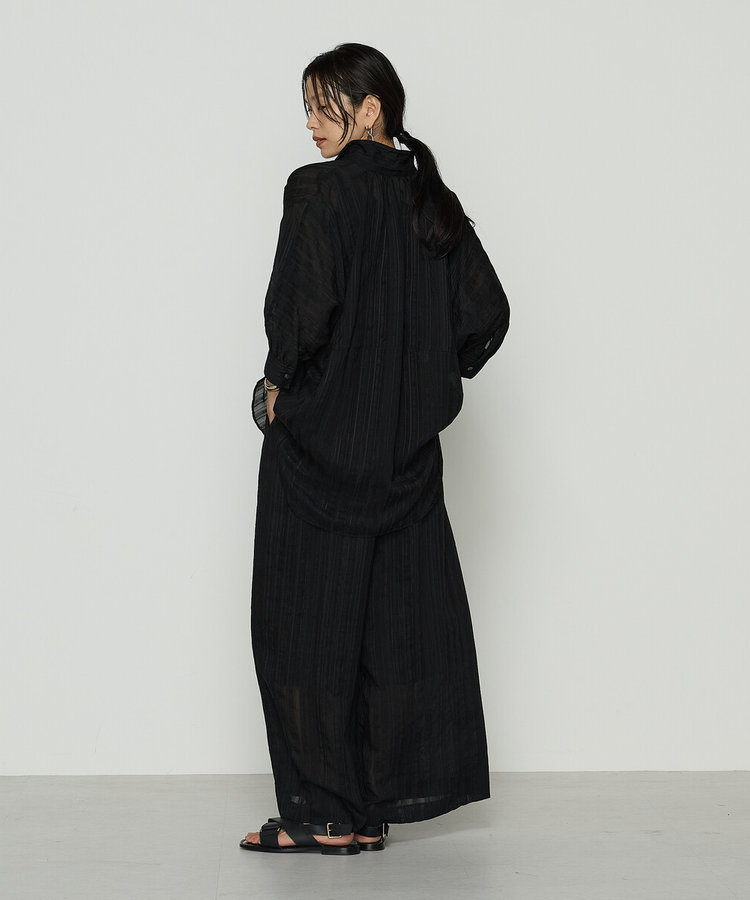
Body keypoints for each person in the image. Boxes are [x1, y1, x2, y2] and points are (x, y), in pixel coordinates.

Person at [240, 42, 510, 856]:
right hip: (403, 462)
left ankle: (323, 812)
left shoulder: (317, 191)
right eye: (307, 107)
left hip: (318, 453)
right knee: (390, 633)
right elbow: (487, 316)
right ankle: (365, 811)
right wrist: (415, 383)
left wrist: (279, 388)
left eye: (325, 105)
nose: (311, 124)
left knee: (299, 627)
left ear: (371, 109)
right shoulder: (432, 204)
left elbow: (299, 313)